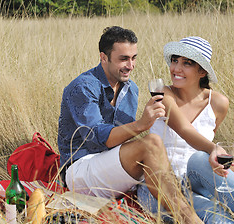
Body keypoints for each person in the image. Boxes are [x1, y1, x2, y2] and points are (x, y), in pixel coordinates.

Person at [57, 26, 224, 223]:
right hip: (80, 170)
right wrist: (142, 124)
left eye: (134, 57)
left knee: (163, 160)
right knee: (151, 143)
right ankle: (189, 220)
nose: (130, 65)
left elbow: (122, 142)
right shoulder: (83, 87)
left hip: (112, 166)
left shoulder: (131, 89)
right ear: (103, 57)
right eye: (123, 59)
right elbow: (101, 138)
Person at [136, 36, 234, 223]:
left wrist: (218, 156)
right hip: (159, 187)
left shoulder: (218, 103)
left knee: (200, 158)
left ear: (202, 71)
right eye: (175, 60)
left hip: (197, 180)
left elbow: (203, 148)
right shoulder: (164, 94)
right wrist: (213, 148)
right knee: (216, 216)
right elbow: (184, 129)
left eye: (187, 63)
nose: (176, 68)